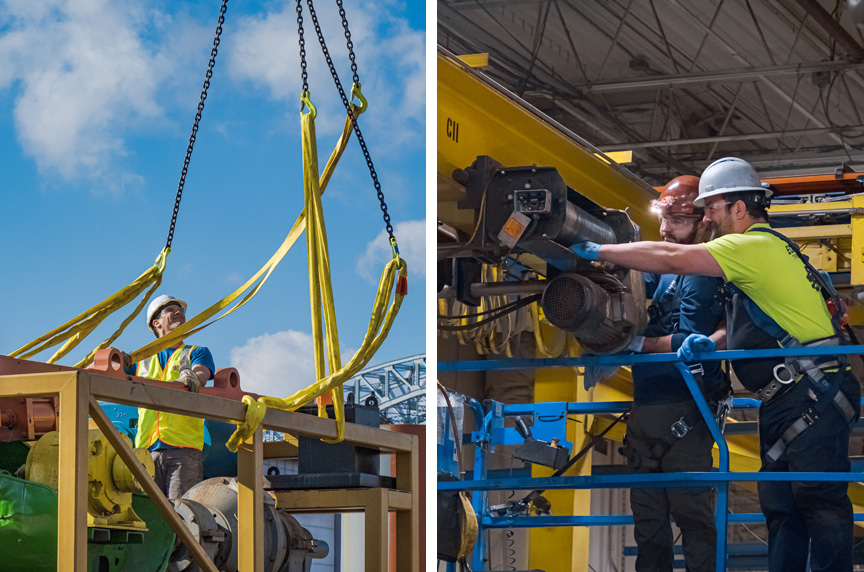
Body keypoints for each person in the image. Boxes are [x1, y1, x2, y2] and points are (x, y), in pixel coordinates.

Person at [572, 157, 860, 572]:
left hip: (810, 392)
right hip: (790, 396)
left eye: (713, 208)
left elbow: (671, 257)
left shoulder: (752, 246)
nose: (707, 217)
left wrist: (599, 248)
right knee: (783, 507)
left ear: (739, 208)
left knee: (819, 500)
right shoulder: (765, 252)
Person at [622, 175, 728, 572]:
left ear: (703, 220)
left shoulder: (703, 269)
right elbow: (632, 290)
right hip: (648, 405)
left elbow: (689, 335)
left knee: (693, 516)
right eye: (663, 220)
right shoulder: (665, 269)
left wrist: (634, 346)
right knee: (648, 521)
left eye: (677, 221)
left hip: (688, 405)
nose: (665, 230)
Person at [124, 295, 215, 499]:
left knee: (181, 514)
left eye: (180, 310)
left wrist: (193, 376)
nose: (179, 312)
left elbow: (201, 373)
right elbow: (109, 369)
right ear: (156, 323)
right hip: (147, 450)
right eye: (171, 310)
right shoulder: (140, 359)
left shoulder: (196, 352)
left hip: (183, 448)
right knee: (152, 515)